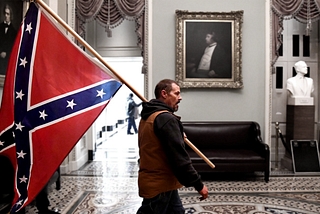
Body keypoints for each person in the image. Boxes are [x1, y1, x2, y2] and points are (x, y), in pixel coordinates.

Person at [137, 79, 208, 214]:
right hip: (159, 185)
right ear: (164, 93)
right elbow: (180, 158)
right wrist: (198, 184)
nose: (180, 97)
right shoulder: (165, 119)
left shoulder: (150, 115)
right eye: (176, 93)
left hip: (165, 183)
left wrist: (176, 134)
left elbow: (156, 143)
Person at [0, 4, 17, 75]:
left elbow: (13, 46)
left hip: (8, 60)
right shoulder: (0, 27)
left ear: (11, 16)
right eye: (5, 13)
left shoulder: (14, 31)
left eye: (8, 14)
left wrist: (6, 53)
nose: (6, 16)